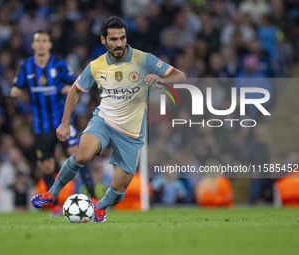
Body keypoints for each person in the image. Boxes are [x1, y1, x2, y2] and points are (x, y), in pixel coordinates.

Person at [31, 17, 186, 222]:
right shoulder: (96, 65)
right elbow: (76, 90)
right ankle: (51, 194)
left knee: (119, 187)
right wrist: (65, 122)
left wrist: (161, 79)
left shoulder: (143, 59)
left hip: (131, 133)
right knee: (82, 156)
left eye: (122, 38)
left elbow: (180, 76)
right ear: (103, 40)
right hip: (103, 122)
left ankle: (100, 207)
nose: (119, 43)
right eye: (113, 39)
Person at [10, 31, 97, 212]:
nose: (41, 44)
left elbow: (76, 87)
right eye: (37, 41)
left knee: (78, 155)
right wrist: (17, 92)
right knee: (47, 166)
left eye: (44, 41)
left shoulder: (60, 65)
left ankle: (94, 198)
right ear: (33, 45)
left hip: (63, 122)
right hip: (41, 126)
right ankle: (55, 207)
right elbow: (16, 89)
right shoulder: (26, 66)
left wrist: (66, 88)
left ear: (50, 44)